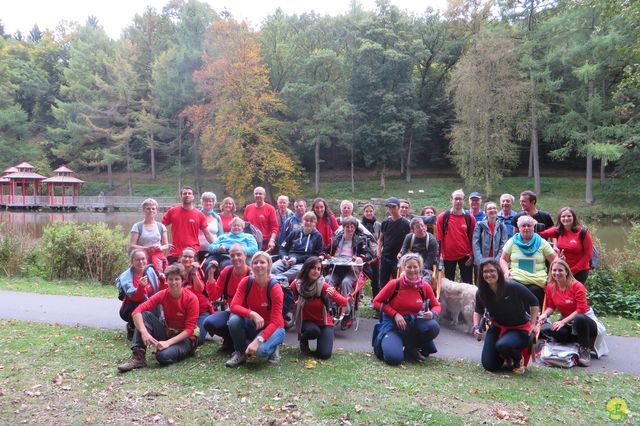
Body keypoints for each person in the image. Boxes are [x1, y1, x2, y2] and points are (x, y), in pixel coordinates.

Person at [118, 263, 199, 372]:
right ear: (166, 280)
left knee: (162, 356)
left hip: (185, 339)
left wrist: (168, 343)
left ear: (182, 281)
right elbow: (137, 311)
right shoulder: (163, 294)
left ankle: (183, 351)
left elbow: (190, 330)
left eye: (177, 279)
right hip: (168, 332)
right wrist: (144, 332)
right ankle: (138, 357)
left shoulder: (191, 299)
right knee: (145, 315)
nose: (173, 282)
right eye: (170, 279)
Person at [472, 259, 539, 374]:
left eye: (492, 271)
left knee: (503, 345)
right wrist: (476, 327)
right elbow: (478, 310)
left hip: (519, 328)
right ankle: (506, 358)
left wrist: (533, 324)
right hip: (497, 327)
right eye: (485, 272)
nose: (488, 274)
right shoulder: (481, 292)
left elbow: (534, 301)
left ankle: (518, 359)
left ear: (498, 271)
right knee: (489, 366)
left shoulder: (512, 286)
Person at [372, 253, 441, 366]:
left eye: (415, 267)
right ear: (403, 267)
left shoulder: (424, 286)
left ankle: (411, 347)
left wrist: (432, 313)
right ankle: (391, 343)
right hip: (392, 324)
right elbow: (376, 302)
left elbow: (436, 305)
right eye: (409, 267)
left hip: (412, 323)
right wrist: (395, 314)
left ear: (420, 268)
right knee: (394, 359)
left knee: (433, 326)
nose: (412, 270)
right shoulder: (395, 284)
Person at [538, 259, 608, 366]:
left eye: (560, 270)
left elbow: (581, 309)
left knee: (579, 318)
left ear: (567, 272)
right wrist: (544, 314)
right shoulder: (550, 287)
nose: (557, 273)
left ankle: (585, 350)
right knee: (548, 329)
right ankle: (571, 341)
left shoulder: (577, 286)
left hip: (586, 322)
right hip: (568, 322)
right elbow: (551, 307)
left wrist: (563, 322)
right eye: (554, 270)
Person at [225, 251, 286, 367]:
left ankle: (274, 347)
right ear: (252, 265)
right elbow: (233, 306)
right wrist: (252, 313)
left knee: (259, 350)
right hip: (255, 324)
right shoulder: (246, 282)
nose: (258, 265)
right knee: (234, 320)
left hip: (274, 327)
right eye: (255, 262)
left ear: (268, 265)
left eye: (262, 262)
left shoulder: (275, 288)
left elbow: (276, 321)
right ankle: (240, 353)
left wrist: (258, 340)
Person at [293, 257, 349, 359]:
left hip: (324, 321)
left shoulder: (323, 285)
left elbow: (343, 302)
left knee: (324, 355)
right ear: (306, 268)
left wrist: (334, 294)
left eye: (319, 269)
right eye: (313, 268)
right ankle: (303, 339)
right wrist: (296, 303)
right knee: (313, 330)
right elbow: (288, 299)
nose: (316, 271)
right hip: (306, 321)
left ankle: (322, 341)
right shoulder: (297, 284)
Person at [203, 244, 251, 353]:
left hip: (249, 314)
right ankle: (229, 340)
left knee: (236, 325)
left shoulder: (251, 273)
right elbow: (214, 295)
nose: (235, 258)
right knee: (209, 323)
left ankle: (243, 341)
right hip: (232, 311)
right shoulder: (227, 271)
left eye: (239, 254)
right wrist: (211, 275)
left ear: (245, 255)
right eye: (232, 255)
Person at [500, 215, 557, 307]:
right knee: (511, 288)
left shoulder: (542, 242)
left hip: (536, 278)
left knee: (534, 291)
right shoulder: (512, 241)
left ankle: (531, 316)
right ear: (519, 228)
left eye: (529, 225)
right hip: (516, 276)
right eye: (523, 226)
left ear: (533, 227)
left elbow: (555, 260)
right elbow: (503, 259)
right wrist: (506, 271)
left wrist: (552, 276)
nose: (526, 228)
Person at [327, 216, 372, 328]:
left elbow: (368, 254)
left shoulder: (360, 240)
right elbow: (325, 251)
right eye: (347, 227)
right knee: (327, 280)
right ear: (343, 227)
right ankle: (329, 308)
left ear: (355, 228)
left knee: (346, 282)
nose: (350, 229)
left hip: (351, 270)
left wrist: (361, 258)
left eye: (352, 227)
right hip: (336, 268)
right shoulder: (336, 239)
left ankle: (346, 312)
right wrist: (325, 256)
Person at [538, 207, 594, 284]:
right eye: (563, 216)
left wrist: (573, 270)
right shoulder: (558, 230)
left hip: (579, 271)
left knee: (574, 294)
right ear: (560, 219)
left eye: (569, 216)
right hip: (562, 270)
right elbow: (541, 234)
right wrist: (531, 225)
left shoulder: (583, 232)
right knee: (559, 293)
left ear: (573, 218)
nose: (566, 218)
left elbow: (588, 255)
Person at [117, 249, 162, 340]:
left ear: (147, 259)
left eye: (143, 259)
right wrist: (141, 287)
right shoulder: (126, 277)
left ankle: (148, 327)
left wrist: (163, 280)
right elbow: (135, 298)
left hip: (149, 305)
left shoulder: (151, 272)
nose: (141, 262)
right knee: (138, 305)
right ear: (132, 261)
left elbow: (161, 292)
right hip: (130, 307)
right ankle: (132, 328)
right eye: (137, 260)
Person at [162, 187, 213, 264]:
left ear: (193, 196)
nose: (187, 195)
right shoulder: (172, 211)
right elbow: (161, 227)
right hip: (175, 253)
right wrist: (164, 243)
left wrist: (216, 246)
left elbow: (207, 234)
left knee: (192, 275)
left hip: (192, 253)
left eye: (189, 193)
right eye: (184, 193)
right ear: (181, 196)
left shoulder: (199, 214)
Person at [436, 189, 476, 283]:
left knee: (467, 284)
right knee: (450, 284)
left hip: (465, 256)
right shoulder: (443, 217)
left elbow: (474, 238)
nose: (458, 201)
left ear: (463, 200)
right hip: (448, 256)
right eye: (456, 199)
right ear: (451, 200)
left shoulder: (470, 218)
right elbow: (439, 238)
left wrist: (472, 254)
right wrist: (440, 254)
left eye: (460, 199)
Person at [271, 212, 323, 281]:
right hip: (287, 260)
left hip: (302, 263)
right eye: (306, 220)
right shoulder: (295, 232)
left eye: (311, 221)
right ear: (302, 221)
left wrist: (297, 260)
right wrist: (283, 256)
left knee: (298, 272)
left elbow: (315, 255)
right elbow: (283, 247)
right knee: (273, 268)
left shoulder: (318, 236)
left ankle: (277, 279)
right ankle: (276, 281)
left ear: (315, 223)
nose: (308, 223)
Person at [377, 197, 411, 299]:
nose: (391, 210)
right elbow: (380, 239)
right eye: (389, 207)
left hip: (398, 259)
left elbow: (409, 241)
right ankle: (381, 306)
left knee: (397, 283)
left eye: (393, 207)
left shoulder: (406, 223)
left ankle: (396, 304)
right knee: (383, 283)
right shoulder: (385, 222)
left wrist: (402, 252)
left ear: (398, 207)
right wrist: (379, 251)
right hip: (385, 257)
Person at [179, 247, 212, 346]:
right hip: (184, 312)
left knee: (198, 339)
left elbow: (200, 289)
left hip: (201, 312)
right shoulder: (176, 271)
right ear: (180, 257)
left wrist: (194, 274)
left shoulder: (198, 271)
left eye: (190, 257)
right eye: (185, 256)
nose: (187, 259)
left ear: (195, 260)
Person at [129, 198, 170, 274]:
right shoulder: (137, 226)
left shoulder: (161, 226)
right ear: (143, 210)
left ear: (156, 210)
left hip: (157, 258)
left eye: (153, 209)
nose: (151, 211)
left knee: (158, 277)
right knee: (144, 277)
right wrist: (147, 248)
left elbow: (166, 245)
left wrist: (158, 248)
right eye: (148, 209)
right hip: (141, 259)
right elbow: (132, 245)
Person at [399, 217, 438, 283]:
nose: (421, 228)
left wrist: (417, 271)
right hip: (411, 266)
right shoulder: (409, 237)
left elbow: (430, 261)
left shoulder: (432, 240)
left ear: (425, 227)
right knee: (402, 279)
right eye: (417, 227)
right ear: (413, 231)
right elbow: (404, 254)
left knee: (423, 282)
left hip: (427, 268)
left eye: (422, 226)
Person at [473, 201, 509, 268]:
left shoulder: (502, 226)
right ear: (485, 212)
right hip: (481, 262)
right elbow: (476, 244)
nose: (492, 210)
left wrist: (496, 261)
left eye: (494, 208)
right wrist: (480, 261)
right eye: (489, 208)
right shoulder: (479, 225)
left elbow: (503, 245)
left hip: (496, 263)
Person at [243, 186, 279, 252]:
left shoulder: (270, 209)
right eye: (256, 194)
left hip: (265, 244)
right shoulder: (248, 208)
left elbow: (275, 228)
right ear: (253, 195)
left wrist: (272, 240)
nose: (258, 195)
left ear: (264, 195)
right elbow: (244, 226)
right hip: (251, 243)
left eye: (260, 193)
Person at [361, 202, 381, 299]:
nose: (369, 213)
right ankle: (358, 299)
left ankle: (376, 300)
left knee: (376, 279)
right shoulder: (359, 225)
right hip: (364, 255)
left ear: (373, 212)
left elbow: (381, 239)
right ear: (363, 212)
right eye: (367, 211)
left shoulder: (378, 225)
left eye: (371, 211)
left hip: (375, 255)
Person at [197, 192, 223, 262]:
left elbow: (221, 235)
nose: (208, 203)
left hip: (213, 249)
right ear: (202, 202)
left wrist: (220, 247)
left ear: (214, 203)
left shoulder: (217, 217)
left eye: (210, 201)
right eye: (206, 201)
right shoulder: (196, 215)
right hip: (197, 250)